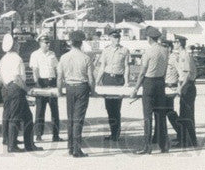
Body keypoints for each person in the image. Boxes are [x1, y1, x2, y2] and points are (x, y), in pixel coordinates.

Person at [129, 26, 170, 154]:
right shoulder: (165, 50)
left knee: (147, 116)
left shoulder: (148, 52)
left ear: (149, 38)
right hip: (160, 83)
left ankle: (147, 146)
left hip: (149, 83)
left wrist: (135, 89)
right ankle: (164, 145)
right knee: (161, 116)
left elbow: (142, 73)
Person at [0, 33, 39, 153]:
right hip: (17, 89)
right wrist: (27, 90)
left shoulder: (4, 58)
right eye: (18, 43)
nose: (19, 45)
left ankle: (28, 145)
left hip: (8, 88)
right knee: (16, 117)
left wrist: (7, 86)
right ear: (14, 45)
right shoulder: (17, 58)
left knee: (25, 116)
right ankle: (12, 146)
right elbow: (17, 77)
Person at [57, 30, 95, 158]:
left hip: (69, 88)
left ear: (71, 43)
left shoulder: (63, 57)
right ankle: (77, 150)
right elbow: (91, 78)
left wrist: (59, 91)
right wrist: (93, 91)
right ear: (81, 43)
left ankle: (70, 147)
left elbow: (59, 78)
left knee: (71, 118)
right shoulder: (86, 58)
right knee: (78, 119)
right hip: (82, 87)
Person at [95, 29, 130, 143]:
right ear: (110, 38)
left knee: (117, 107)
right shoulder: (106, 51)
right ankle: (112, 132)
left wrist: (126, 81)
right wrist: (97, 81)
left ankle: (116, 133)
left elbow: (126, 67)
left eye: (118, 37)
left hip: (118, 80)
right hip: (108, 79)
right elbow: (102, 66)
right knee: (109, 108)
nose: (117, 39)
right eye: (114, 37)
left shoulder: (125, 50)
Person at [29, 35, 61, 142]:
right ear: (40, 43)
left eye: (49, 42)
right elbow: (35, 70)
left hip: (52, 82)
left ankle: (56, 135)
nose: (48, 44)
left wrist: (58, 82)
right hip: (41, 82)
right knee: (40, 110)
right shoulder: (35, 55)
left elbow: (57, 68)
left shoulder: (52, 54)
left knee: (55, 111)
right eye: (45, 42)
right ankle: (38, 134)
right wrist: (38, 83)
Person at [174, 35, 198, 148]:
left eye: (175, 42)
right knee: (184, 114)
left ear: (179, 43)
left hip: (187, 86)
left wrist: (181, 87)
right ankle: (186, 140)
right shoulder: (181, 55)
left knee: (187, 114)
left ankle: (190, 141)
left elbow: (188, 74)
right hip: (185, 86)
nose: (174, 44)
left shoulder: (185, 55)